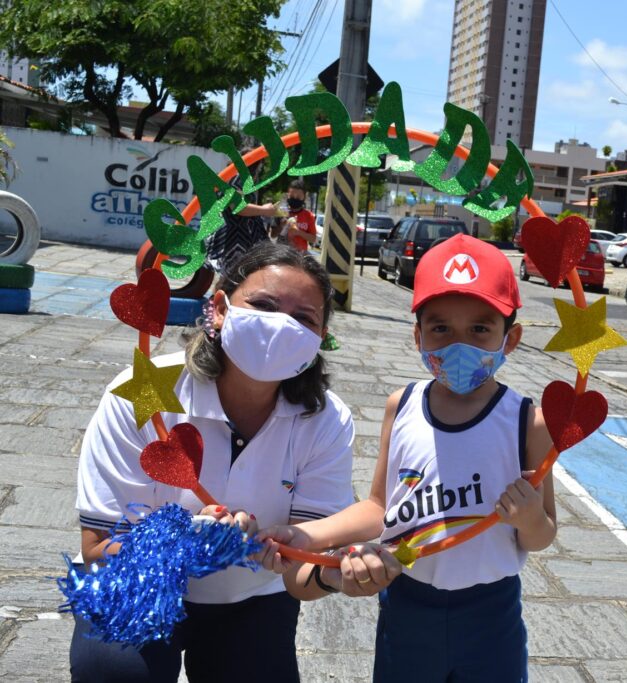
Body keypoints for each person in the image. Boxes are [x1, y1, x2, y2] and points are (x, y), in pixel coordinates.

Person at [70, 242, 379, 683]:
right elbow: (98, 547)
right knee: (116, 673)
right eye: (263, 305)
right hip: (138, 582)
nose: (279, 325)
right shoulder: (144, 392)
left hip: (250, 597)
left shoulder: (326, 419)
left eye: (303, 318)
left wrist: (338, 574)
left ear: (319, 339)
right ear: (218, 308)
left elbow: (303, 569)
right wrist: (189, 542)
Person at [258, 234, 556, 683]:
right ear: (417, 336)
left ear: (509, 338)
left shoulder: (527, 421)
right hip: (407, 604)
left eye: (480, 329)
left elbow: (542, 536)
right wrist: (304, 534)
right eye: (440, 329)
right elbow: (380, 507)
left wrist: (530, 518)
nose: (459, 345)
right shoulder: (402, 404)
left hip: (491, 614)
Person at [204, 148, 279, 276]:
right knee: (232, 277)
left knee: (235, 277)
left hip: (240, 237)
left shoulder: (244, 179)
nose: (259, 169)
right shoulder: (237, 178)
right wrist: (264, 210)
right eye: (260, 164)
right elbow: (237, 207)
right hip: (235, 237)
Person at [278, 180, 317, 252]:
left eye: (298, 198)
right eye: (292, 196)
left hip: (300, 256)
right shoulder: (281, 213)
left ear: (304, 197)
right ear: (288, 195)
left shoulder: (309, 216)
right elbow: (272, 235)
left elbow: (313, 239)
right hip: (281, 253)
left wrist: (299, 232)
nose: (295, 199)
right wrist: (281, 227)